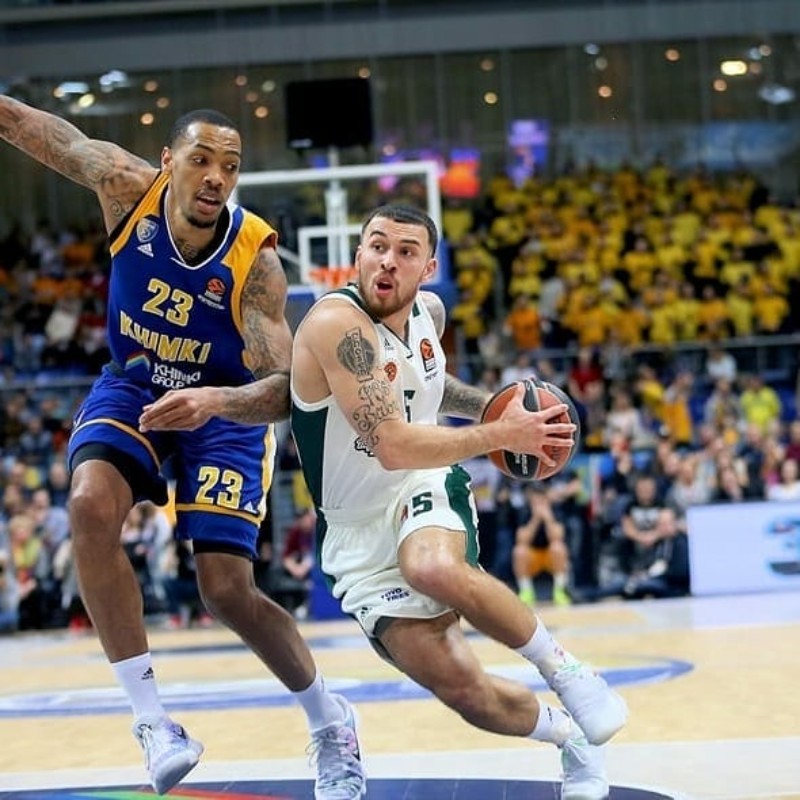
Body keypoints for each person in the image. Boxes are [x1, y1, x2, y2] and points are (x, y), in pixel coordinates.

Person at [0, 97, 365, 799]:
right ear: (168, 163)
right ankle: (154, 723)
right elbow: (34, 130)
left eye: (230, 166)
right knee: (88, 506)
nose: (215, 177)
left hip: (225, 409)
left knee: (225, 591)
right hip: (134, 387)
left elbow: (288, 390)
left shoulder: (256, 262)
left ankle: (330, 720)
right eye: (200, 160)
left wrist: (215, 401)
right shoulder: (124, 188)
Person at [290, 205, 627, 800]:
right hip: (353, 528)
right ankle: (569, 736)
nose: (387, 261)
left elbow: (426, 385)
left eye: (405, 251)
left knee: (432, 566)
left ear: (428, 268)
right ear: (358, 253)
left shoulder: (430, 313)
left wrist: (496, 411)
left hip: (418, 483)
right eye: (377, 246)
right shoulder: (337, 325)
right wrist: (500, 433)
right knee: (466, 692)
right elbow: (392, 442)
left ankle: (570, 672)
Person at [513, 483, 572, 607]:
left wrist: (548, 518)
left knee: (558, 547)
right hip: (533, 556)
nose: (538, 499)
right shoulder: (525, 510)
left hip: (550, 556)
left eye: (541, 495)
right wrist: (535, 520)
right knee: (519, 551)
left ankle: (560, 591)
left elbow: (558, 536)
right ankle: (526, 591)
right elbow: (521, 539)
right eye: (535, 496)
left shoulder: (555, 509)